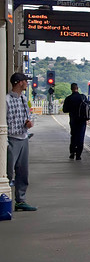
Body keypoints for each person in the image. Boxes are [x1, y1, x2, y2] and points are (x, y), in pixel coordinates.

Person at [7, 72, 36, 211]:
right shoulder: (6, 100)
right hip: (11, 139)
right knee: (8, 172)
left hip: (24, 137)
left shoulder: (24, 99)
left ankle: (21, 200)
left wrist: (29, 122)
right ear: (19, 82)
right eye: (25, 81)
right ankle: (4, 199)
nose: (27, 83)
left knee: (23, 172)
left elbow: (27, 116)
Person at [62, 83, 88, 160]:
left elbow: (64, 110)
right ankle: (78, 155)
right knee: (81, 136)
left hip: (73, 120)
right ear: (77, 88)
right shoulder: (83, 97)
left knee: (73, 136)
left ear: (71, 89)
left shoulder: (68, 98)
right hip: (82, 121)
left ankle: (72, 153)